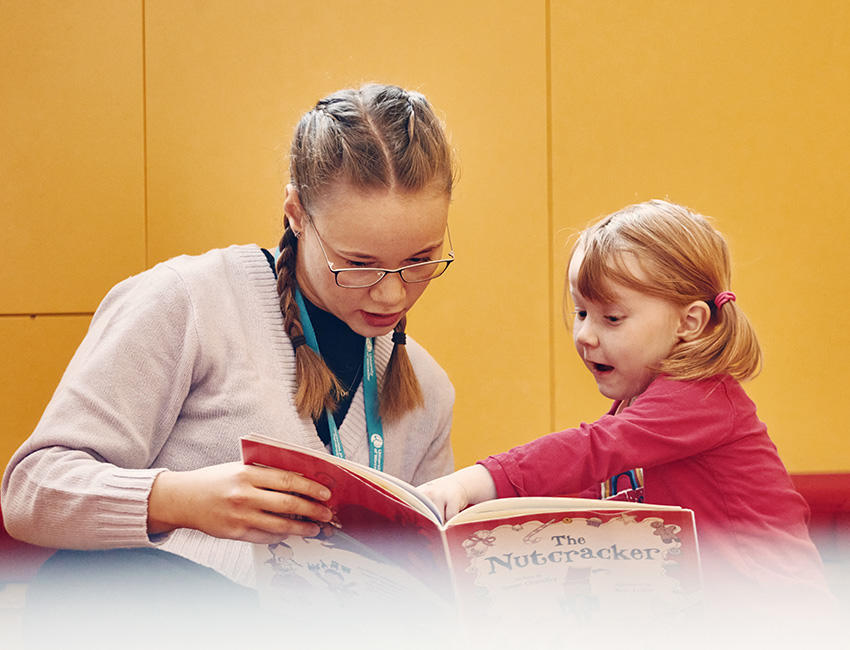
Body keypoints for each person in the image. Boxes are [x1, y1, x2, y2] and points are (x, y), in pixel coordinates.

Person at [1, 83, 457, 633]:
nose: (391, 293)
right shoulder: (189, 302)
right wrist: (179, 500)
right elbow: (30, 492)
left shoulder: (429, 389)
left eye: (420, 260)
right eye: (358, 264)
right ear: (296, 213)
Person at [419, 199, 832, 616]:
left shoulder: (702, 397)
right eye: (582, 312)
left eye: (612, 318)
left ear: (688, 323)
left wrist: (478, 481)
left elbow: (592, 449)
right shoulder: (636, 405)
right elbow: (591, 495)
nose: (585, 334)